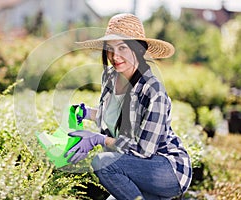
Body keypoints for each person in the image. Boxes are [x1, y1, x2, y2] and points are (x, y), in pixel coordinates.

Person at [65, 13, 192, 200]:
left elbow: (143, 150)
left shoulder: (153, 90)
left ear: (139, 50)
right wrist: (86, 113)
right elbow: (116, 117)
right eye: (110, 48)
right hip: (138, 167)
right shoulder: (110, 77)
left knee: (103, 163)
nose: (115, 56)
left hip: (167, 169)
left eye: (123, 47)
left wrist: (98, 139)